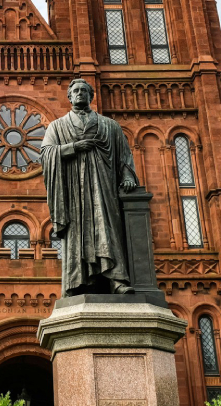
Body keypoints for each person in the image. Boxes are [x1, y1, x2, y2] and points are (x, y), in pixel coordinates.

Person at [41, 78, 137, 296]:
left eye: (84, 90)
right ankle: (79, 282)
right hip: (73, 190)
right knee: (77, 233)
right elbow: (46, 154)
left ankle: (117, 280)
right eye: (75, 90)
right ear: (69, 96)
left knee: (107, 228)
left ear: (91, 96)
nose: (80, 93)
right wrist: (74, 147)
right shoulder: (56, 127)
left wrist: (128, 176)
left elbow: (124, 155)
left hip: (103, 187)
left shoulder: (109, 125)